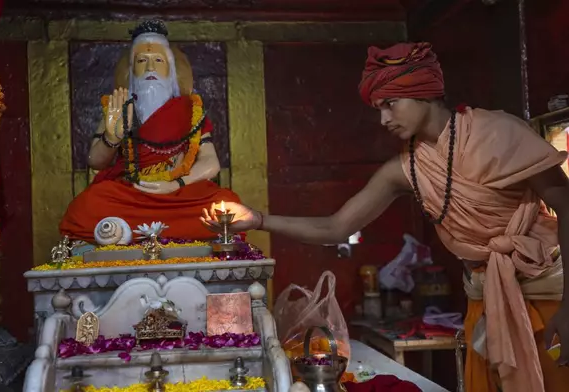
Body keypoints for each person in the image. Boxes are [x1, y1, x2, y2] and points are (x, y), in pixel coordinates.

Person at [201, 42, 569, 392]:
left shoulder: (500, 133)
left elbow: (565, 204)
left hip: (549, 294)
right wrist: (259, 219)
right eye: (379, 108)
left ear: (423, 92)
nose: (383, 119)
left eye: (391, 104)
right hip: (486, 300)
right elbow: (337, 226)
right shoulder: (405, 168)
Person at [60, 19, 240, 241]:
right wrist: (112, 138)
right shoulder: (119, 108)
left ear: (171, 69)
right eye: (142, 61)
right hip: (131, 194)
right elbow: (95, 161)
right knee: (86, 206)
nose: (150, 68)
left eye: (158, 60)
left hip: (179, 193)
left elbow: (210, 163)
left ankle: (131, 233)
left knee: (226, 203)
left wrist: (174, 184)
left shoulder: (190, 110)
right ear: (131, 70)